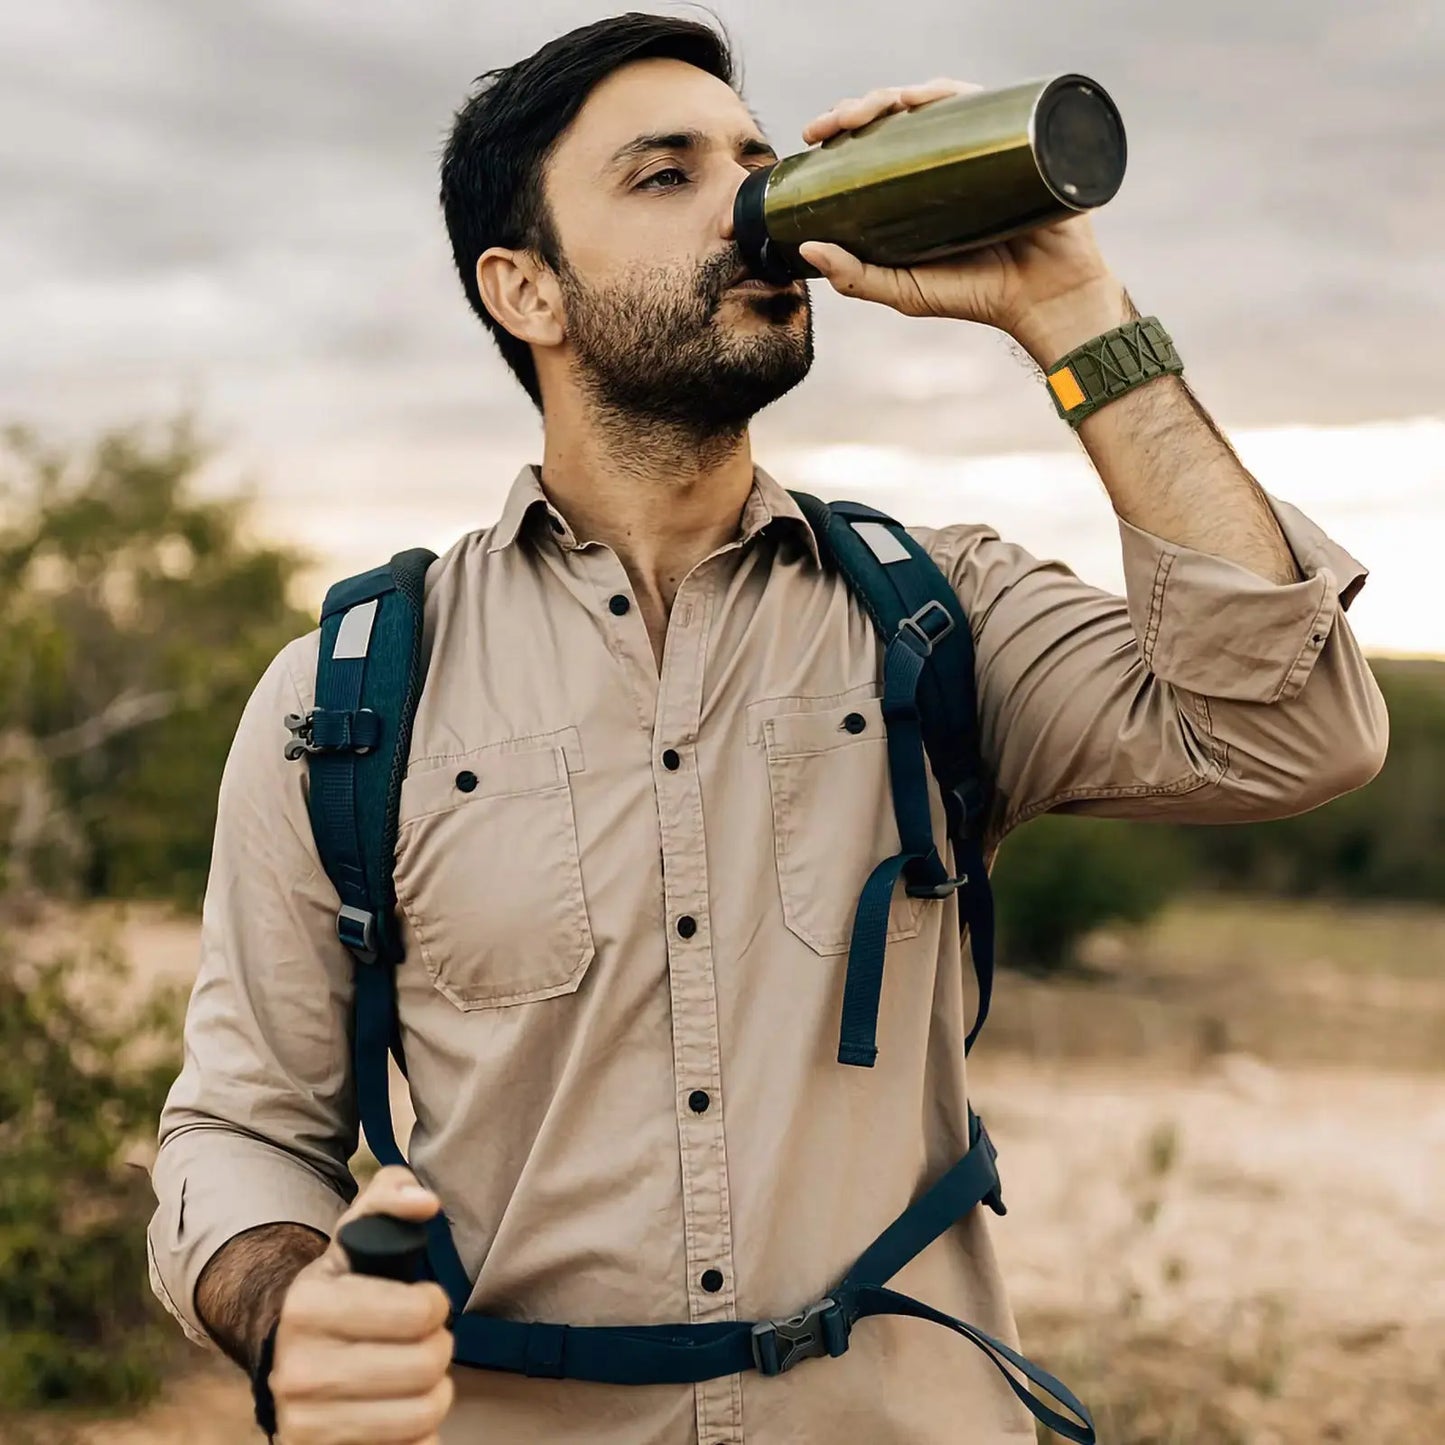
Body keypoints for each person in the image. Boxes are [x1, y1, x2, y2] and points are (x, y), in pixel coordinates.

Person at [146, 13, 1388, 1444]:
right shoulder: (348, 693)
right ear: (523, 288)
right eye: (664, 176)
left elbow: (1289, 729)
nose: (749, 206)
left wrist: (1074, 308)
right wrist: (287, 1299)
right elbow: (241, 1130)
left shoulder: (941, 612)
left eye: (755, 161)